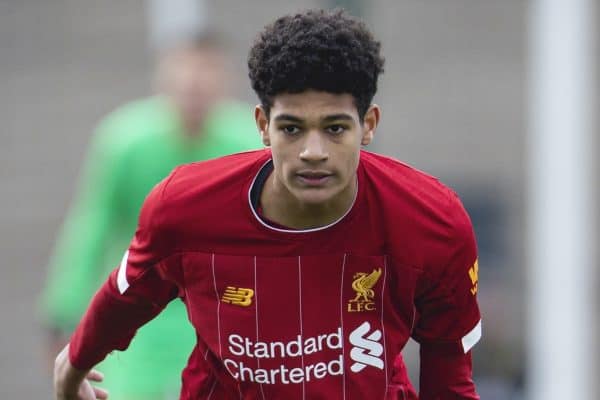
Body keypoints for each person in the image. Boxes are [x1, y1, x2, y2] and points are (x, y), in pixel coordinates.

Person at [53, 9, 482, 400]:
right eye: (292, 128)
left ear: (367, 126)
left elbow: (451, 375)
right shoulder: (183, 206)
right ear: (263, 125)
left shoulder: (433, 221)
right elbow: (125, 292)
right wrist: (73, 365)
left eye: (335, 128)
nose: (313, 151)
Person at [42, 32, 262, 400]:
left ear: (224, 80)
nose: (194, 82)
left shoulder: (249, 143)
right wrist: (62, 309)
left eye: (205, 71)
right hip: (140, 315)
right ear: (163, 75)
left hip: (224, 315)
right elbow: (92, 225)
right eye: (184, 69)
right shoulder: (125, 140)